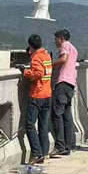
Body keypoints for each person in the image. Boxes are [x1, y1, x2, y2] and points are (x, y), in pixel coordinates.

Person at [19, 34, 52, 164]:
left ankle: (37, 153)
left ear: (30, 46)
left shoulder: (36, 57)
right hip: (47, 94)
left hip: (37, 94)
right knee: (43, 126)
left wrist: (25, 71)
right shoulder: (46, 55)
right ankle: (43, 152)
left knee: (30, 124)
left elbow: (39, 73)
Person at [49, 29, 78, 158]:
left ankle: (60, 146)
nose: (55, 42)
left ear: (61, 38)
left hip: (62, 83)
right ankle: (68, 145)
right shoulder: (74, 49)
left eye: (56, 39)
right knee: (67, 116)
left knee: (57, 114)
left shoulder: (65, 45)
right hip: (70, 85)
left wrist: (49, 65)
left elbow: (63, 59)